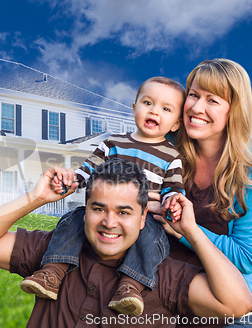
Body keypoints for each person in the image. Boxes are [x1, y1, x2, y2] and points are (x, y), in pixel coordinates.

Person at [0, 159, 252, 328]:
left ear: (142, 219)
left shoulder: (161, 275)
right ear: (84, 213)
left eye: (124, 212)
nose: (109, 222)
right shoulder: (53, 253)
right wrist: (36, 198)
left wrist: (191, 231)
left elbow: (237, 304)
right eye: (99, 209)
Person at [20, 76, 186, 316]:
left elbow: (173, 188)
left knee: (152, 236)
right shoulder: (113, 144)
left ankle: (131, 287)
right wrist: (71, 180)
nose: (154, 111)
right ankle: (52, 272)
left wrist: (172, 202)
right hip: (103, 209)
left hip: (143, 216)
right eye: (147, 103)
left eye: (166, 108)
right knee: (73, 219)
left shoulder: (172, 156)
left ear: (175, 124)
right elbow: (87, 171)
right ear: (134, 108)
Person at [155, 59, 252, 328]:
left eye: (213, 100)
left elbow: (247, 257)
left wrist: (183, 230)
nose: (197, 108)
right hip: (169, 287)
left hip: (233, 302)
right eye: (194, 95)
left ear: (234, 111)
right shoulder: (164, 146)